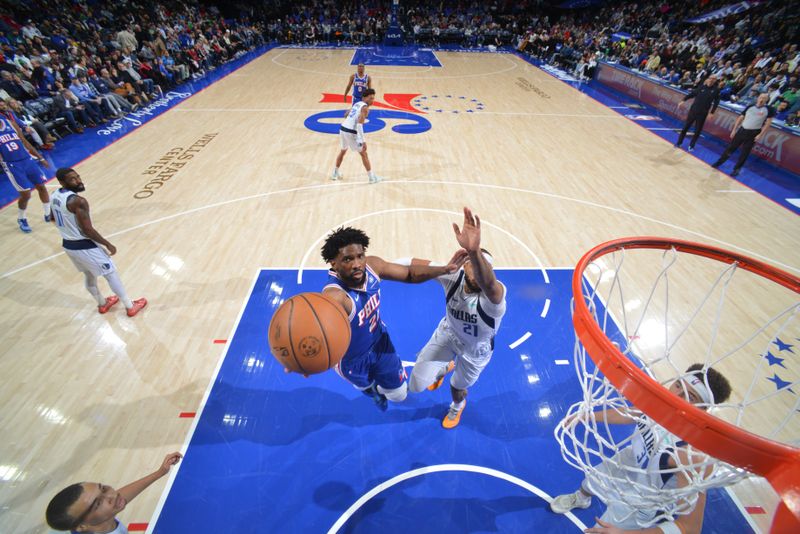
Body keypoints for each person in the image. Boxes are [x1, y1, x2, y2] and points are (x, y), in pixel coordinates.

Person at [550, 364, 732, 534]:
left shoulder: (693, 455)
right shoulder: (661, 404)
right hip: (630, 460)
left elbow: (689, 528)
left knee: (603, 530)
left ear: (704, 408)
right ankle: (581, 499)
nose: (677, 396)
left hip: (647, 497)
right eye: (678, 386)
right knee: (592, 480)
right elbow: (630, 413)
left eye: (690, 397)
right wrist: (587, 416)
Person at [316, 226, 467, 410]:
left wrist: (444, 269)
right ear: (333, 263)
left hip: (380, 344)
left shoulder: (372, 267)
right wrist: (301, 361)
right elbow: (315, 333)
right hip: (351, 360)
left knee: (399, 395)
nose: (357, 264)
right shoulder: (335, 297)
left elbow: (410, 274)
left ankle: (380, 389)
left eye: (360, 256)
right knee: (366, 387)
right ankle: (374, 392)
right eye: (347, 259)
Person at [408, 207, 507, 428]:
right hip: (448, 334)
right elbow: (408, 264)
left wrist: (474, 252)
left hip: (476, 350)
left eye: (482, 267)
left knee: (457, 387)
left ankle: (457, 407)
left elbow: (489, 283)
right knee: (415, 386)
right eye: (471, 265)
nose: (476, 273)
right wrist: (379, 269)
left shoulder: (494, 298)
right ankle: (444, 366)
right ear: (464, 267)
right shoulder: (453, 277)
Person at [50, 168, 147, 317]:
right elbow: (88, 230)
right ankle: (130, 306)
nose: (78, 181)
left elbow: (51, 217)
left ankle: (102, 303)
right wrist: (107, 244)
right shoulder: (78, 201)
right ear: (62, 182)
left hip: (68, 245)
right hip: (84, 245)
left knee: (89, 275)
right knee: (111, 274)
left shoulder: (54, 195)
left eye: (78, 177)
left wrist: (68, 228)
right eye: (72, 179)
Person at [45, 452, 181, 532]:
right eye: (97, 504)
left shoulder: (98, 521)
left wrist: (159, 473)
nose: (112, 495)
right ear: (81, 526)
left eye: (103, 488)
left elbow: (121, 496)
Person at [0, 110, 51, 233]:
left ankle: (48, 213)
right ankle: (21, 218)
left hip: (27, 160)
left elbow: (24, 142)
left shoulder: (10, 123)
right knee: (26, 194)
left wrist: (40, 157)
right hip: (13, 165)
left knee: (42, 187)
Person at [712, 93, 775, 176]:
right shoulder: (750, 106)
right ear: (758, 98)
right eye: (761, 97)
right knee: (731, 148)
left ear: (767, 100)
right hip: (742, 130)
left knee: (745, 152)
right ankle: (719, 162)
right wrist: (734, 130)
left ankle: (736, 169)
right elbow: (741, 117)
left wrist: (760, 135)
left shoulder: (769, 109)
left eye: (764, 98)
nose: (762, 99)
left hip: (753, 132)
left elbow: (768, 124)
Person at [331, 88, 381, 183]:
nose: (372, 101)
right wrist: (363, 141)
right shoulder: (365, 108)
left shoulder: (357, 104)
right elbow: (359, 125)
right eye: (370, 98)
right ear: (364, 98)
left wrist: (352, 118)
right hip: (350, 132)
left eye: (373, 98)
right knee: (364, 153)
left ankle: (335, 173)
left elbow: (346, 115)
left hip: (342, 128)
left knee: (343, 151)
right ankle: (371, 178)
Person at [675, 75, 720, 152]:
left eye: (713, 79)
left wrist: (712, 112)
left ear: (715, 81)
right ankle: (679, 143)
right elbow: (692, 94)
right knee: (685, 127)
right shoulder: (702, 87)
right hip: (693, 111)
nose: (711, 80)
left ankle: (691, 146)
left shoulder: (716, 90)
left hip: (703, 113)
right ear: (708, 79)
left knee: (697, 131)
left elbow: (716, 102)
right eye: (710, 78)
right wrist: (683, 100)